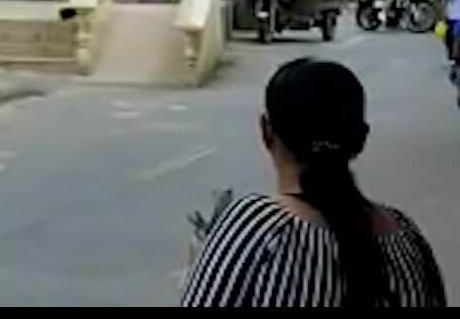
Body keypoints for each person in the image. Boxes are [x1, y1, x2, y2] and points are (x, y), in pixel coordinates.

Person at [181, 58, 445, 307]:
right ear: (361, 138)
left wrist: (201, 267)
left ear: (266, 131)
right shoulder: (406, 237)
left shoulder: (258, 225)